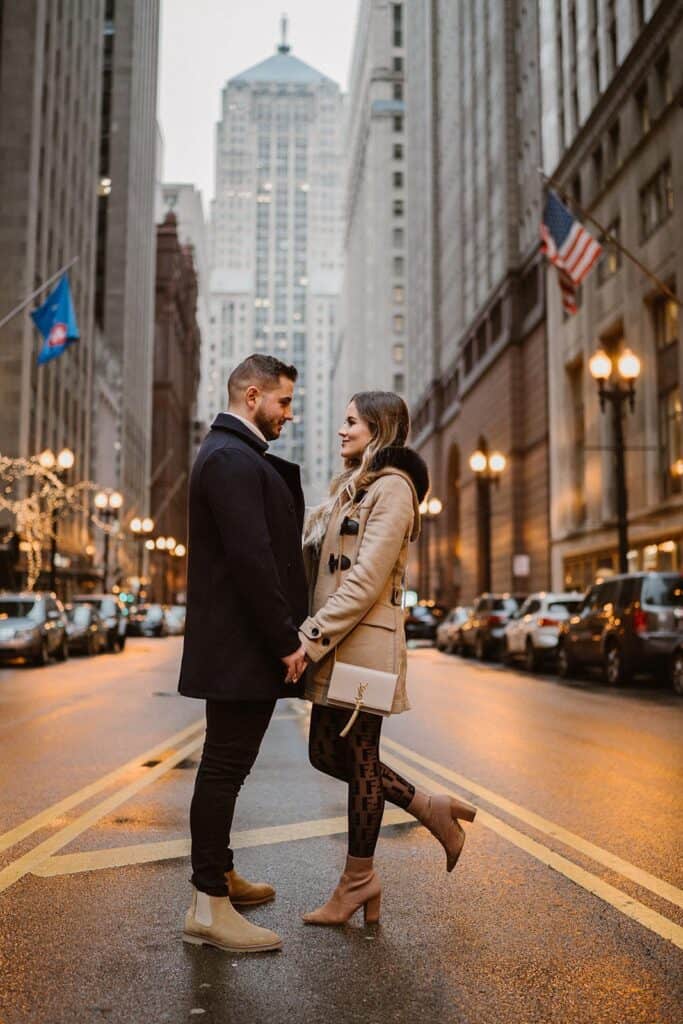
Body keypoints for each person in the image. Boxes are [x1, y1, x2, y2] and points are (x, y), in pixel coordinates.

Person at [298, 391, 476, 926]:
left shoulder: (394, 488)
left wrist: (309, 637)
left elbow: (365, 579)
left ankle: (357, 882)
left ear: (378, 428)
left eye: (351, 421)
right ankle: (429, 807)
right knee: (326, 753)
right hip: (340, 644)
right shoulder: (355, 488)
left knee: (359, 759)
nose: (342, 430)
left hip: (364, 649)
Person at [178, 354, 308, 953]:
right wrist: (286, 640)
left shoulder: (236, 454)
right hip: (240, 647)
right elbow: (252, 559)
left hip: (238, 646)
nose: (289, 413)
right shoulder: (230, 458)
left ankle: (221, 873)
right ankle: (208, 905)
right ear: (252, 396)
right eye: (284, 401)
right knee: (224, 768)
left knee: (227, 768)